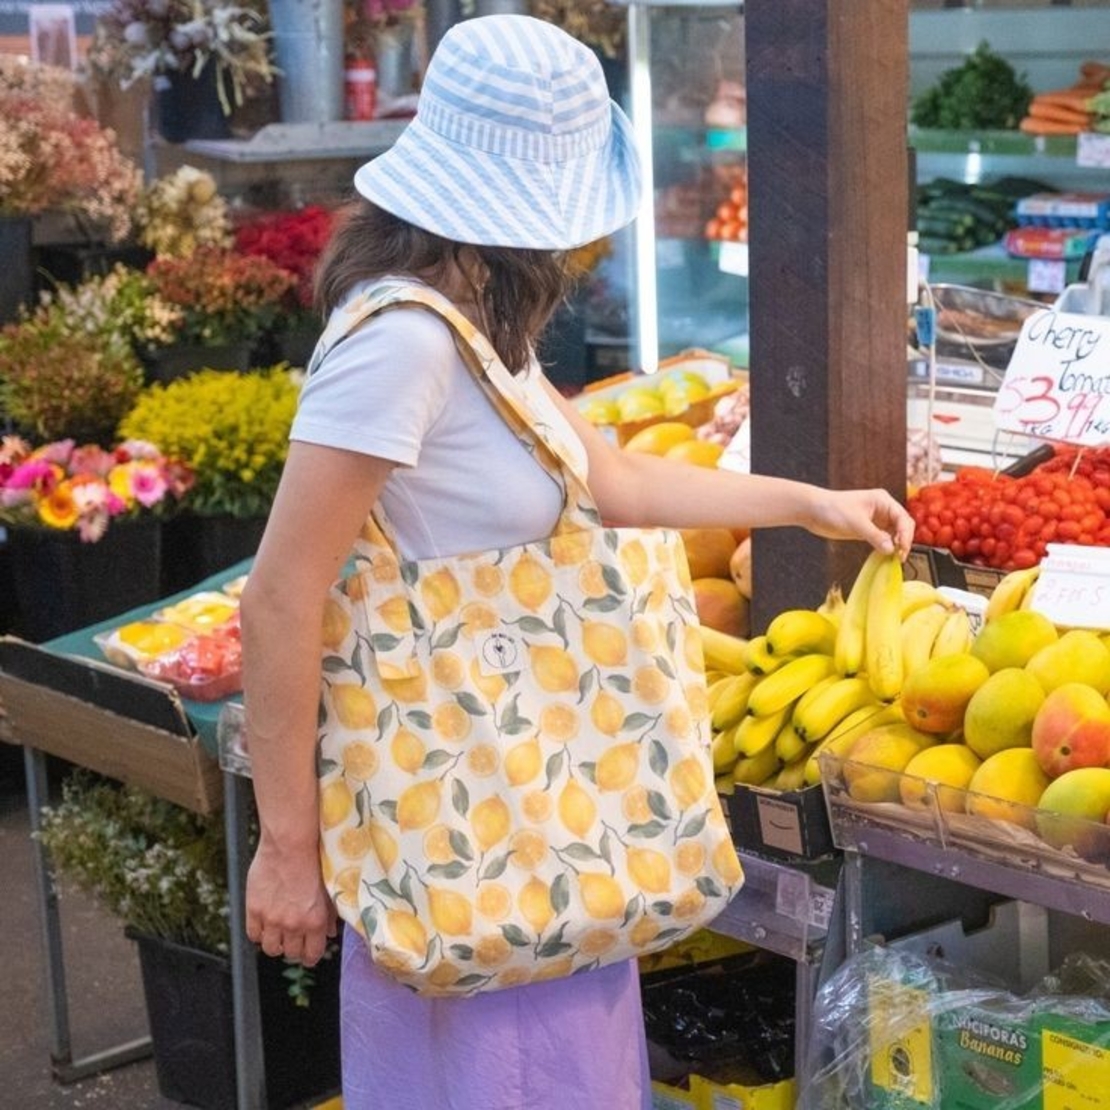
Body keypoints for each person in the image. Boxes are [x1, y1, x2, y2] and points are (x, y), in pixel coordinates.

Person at [240, 14, 915, 1110]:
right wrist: (287, 850)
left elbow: (613, 484)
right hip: (474, 835)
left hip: (538, 830)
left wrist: (809, 504)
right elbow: (279, 600)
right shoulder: (400, 344)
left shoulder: (471, 327)